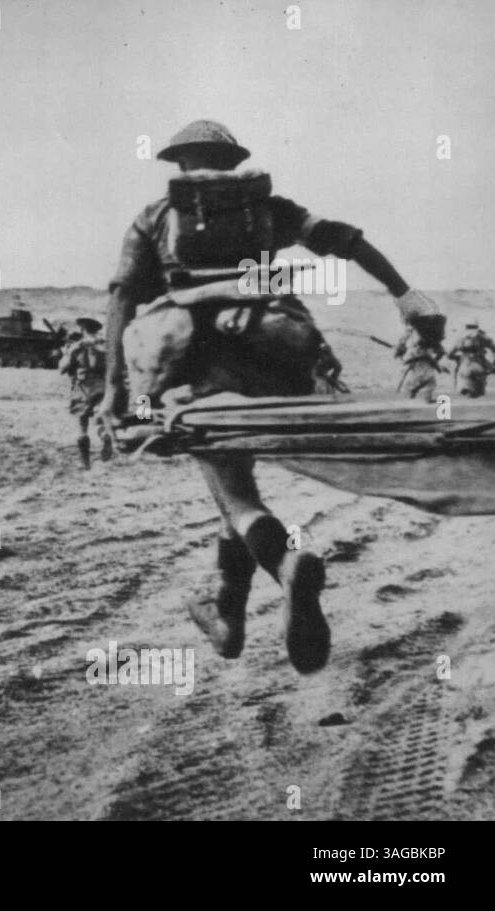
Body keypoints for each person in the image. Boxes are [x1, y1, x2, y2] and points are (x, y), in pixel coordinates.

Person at [96, 120, 444, 674]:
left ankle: (287, 563)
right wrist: (405, 295)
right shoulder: (267, 208)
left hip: (188, 361)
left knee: (233, 492)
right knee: (234, 479)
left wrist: (115, 386)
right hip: (272, 345)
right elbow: (346, 240)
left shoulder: (156, 215)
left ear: (178, 161)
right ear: (233, 160)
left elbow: (121, 297)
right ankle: (228, 609)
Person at [58, 317, 110, 469]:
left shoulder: (76, 347)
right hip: (103, 387)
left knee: (82, 425)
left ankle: (85, 462)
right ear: (97, 330)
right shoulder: (105, 346)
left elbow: (62, 368)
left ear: (82, 330)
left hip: (83, 388)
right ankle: (106, 438)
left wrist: (70, 352)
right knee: (102, 420)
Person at [395, 324, 446, 401]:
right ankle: (418, 392)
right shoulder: (413, 333)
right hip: (418, 356)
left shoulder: (414, 333)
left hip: (420, 356)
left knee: (428, 379)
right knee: (428, 379)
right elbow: (404, 344)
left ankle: (416, 390)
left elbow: (403, 344)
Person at [447, 321, 495, 397]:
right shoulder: (482, 336)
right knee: (491, 370)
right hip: (479, 362)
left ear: (466, 326)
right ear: (476, 326)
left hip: (464, 363)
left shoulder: (460, 337)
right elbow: (493, 349)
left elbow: (449, 355)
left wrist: (458, 358)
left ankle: (457, 386)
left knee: (455, 371)